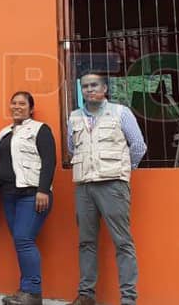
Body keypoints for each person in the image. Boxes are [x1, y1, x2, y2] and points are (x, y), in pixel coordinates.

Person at [67, 73, 147, 305]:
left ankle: (128, 299)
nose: (89, 90)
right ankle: (86, 296)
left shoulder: (121, 112)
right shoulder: (74, 117)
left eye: (94, 85)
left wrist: (121, 170)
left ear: (104, 88)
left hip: (113, 185)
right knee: (86, 242)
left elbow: (139, 146)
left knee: (122, 242)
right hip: (84, 187)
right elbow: (73, 148)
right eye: (85, 86)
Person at [0, 91, 56, 305]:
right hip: (9, 195)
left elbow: (49, 161)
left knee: (24, 239)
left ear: (31, 108)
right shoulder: (4, 133)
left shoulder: (40, 129)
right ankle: (24, 291)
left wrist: (43, 190)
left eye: (22, 103)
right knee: (21, 242)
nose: (17, 107)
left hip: (32, 194)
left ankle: (33, 293)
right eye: (14, 103)